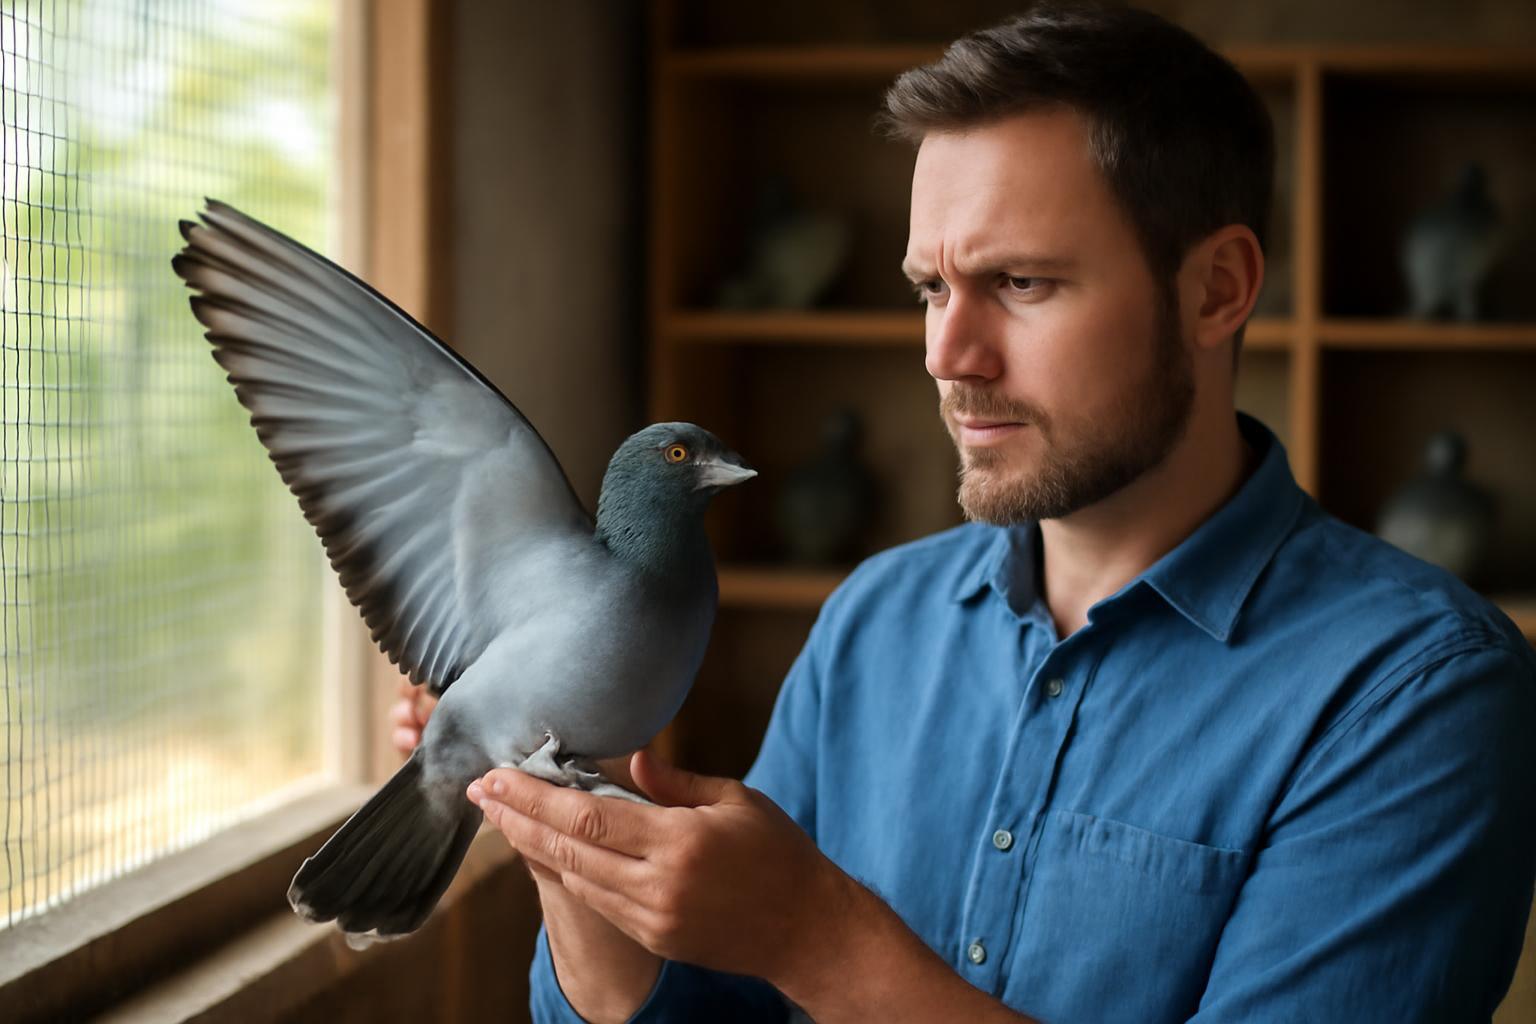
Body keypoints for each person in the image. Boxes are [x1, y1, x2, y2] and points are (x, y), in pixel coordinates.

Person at [394, 5, 1536, 1021]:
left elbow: (799, 954)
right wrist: (564, 833)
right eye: (932, 288)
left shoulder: (1419, 696)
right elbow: (706, 1012)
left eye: (1022, 284)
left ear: (1217, 289)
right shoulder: (873, 622)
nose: (947, 354)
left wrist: (822, 941)